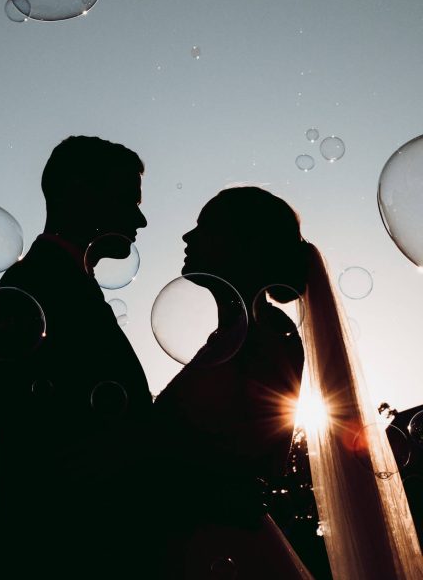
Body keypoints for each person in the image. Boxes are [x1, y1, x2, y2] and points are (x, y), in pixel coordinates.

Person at [151, 186, 423, 579]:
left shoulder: (267, 333)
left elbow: (252, 455)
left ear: (244, 245)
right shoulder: (238, 334)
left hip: (218, 545)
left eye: (205, 227)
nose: (187, 237)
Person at [0, 135, 153, 576]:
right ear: (80, 192)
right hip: (67, 549)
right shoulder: (35, 283)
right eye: (126, 199)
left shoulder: (62, 281)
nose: (140, 219)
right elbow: (50, 435)